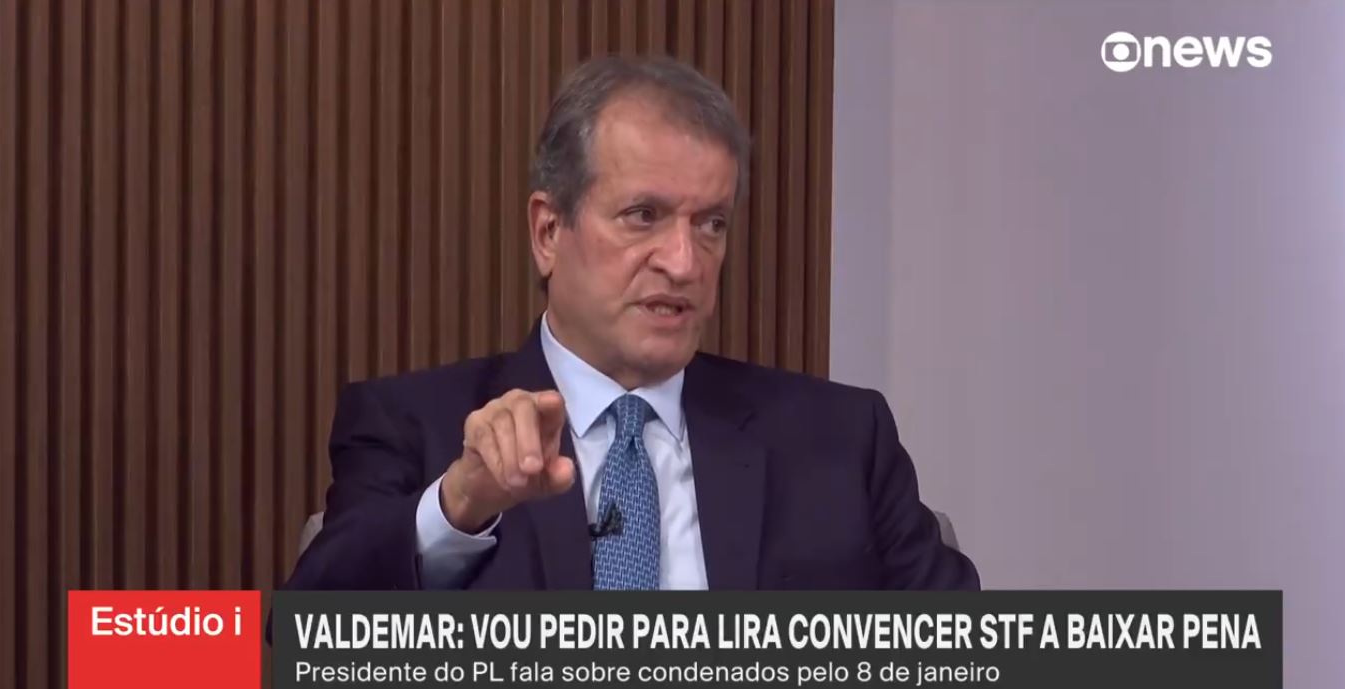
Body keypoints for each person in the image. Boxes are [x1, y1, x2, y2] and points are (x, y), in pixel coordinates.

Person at [282, 55, 978, 592]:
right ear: (548, 231)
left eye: (711, 224)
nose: (684, 262)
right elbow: (303, 639)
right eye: (644, 215)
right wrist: (460, 502)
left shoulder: (841, 440)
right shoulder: (416, 428)